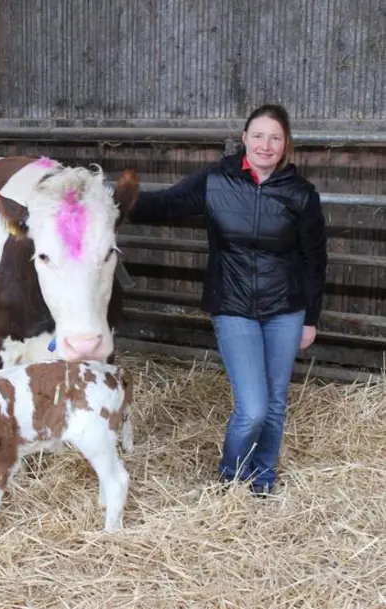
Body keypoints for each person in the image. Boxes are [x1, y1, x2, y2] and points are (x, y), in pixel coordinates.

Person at [126, 104, 328, 496]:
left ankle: (262, 479)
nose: (265, 145)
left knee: (274, 405)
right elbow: (165, 204)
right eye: (258, 136)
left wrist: (310, 318)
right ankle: (231, 478)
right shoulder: (216, 181)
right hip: (234, 306)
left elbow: (314, 259)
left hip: (285, 309)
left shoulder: (301, 195)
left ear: (286, 144)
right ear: (244, 138)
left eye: (275, 137)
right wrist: (114, 197)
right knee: (252, 407)